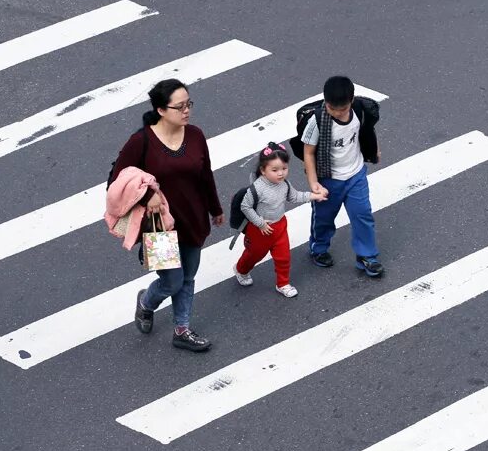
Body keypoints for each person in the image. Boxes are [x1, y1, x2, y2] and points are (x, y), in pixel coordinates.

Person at [109, 79, 224, 352]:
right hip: (159, 227)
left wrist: (215, 209)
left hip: (194, 218)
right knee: (172, 281)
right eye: (180, 106)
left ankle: (182, 330)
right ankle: (146, 302)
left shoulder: (195, 135)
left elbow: (205, 174)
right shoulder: (141, 142)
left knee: (187, 277)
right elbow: (118, 181)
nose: (187, 111)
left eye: (189, 104)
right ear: (161, 110)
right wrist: (149, 197)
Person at [300, 75, 384, 277]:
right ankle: (318, 248)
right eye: (333, 109)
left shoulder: (359, 111)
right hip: (329, 179)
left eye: (342, 109)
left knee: (362, 215)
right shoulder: (317, 121)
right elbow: (308, 153)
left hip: (356, 175)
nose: (338, 112)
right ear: (325, 102)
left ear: (351, 101)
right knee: (323, 218)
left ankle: (367, 256)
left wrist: (375, 151)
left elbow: (367, 132)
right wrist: (313, 183)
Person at [234, 142, 327, 297]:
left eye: (284, 168)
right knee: (253, 256)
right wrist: (260, 223)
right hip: (259, 231)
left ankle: (283, 284)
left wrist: (315, 196)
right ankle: (240, 270)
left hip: (279, 226)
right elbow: (246, 207)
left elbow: (295, 196)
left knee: (283, 257)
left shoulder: (285, 184)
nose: (281, 173)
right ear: (263, 170)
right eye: (275, 170)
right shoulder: (256, 189)